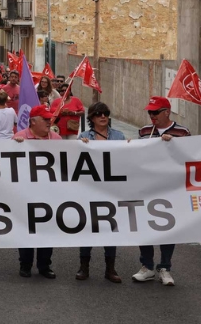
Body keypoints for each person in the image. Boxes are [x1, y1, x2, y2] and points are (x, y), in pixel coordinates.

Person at [132, 96, 189, 287]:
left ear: (166, 112)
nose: (152, 115)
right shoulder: (144, 131)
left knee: (167, 227)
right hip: (147, 187)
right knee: (144, 226)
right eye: (150, 112)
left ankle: (165, 267)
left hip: (170, 188)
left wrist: (173, 145)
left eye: (155, 112)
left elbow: (188, 158)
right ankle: (147, 266)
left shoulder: (182, 132)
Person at [76, 102, 125, 283]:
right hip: (89, 190)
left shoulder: (119, 137)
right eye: (98, 114)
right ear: (91, 118)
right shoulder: (83, 137)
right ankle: (84, 267)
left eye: (105, 113)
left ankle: (110, 269)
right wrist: (80, 146)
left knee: (110, 228)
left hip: (111, 191)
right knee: (87, 228)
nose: (103, 117)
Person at [13, 105, 60, 279]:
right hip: (25, 194)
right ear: (33, 122)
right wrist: (14, 147)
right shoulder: (19, 138)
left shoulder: (56, 139)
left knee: (46, 230)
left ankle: (44, 265)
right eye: (45, 119)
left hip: (49, 194)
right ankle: (25, 264)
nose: (49, 122)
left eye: (50, 119)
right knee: (26, 229)